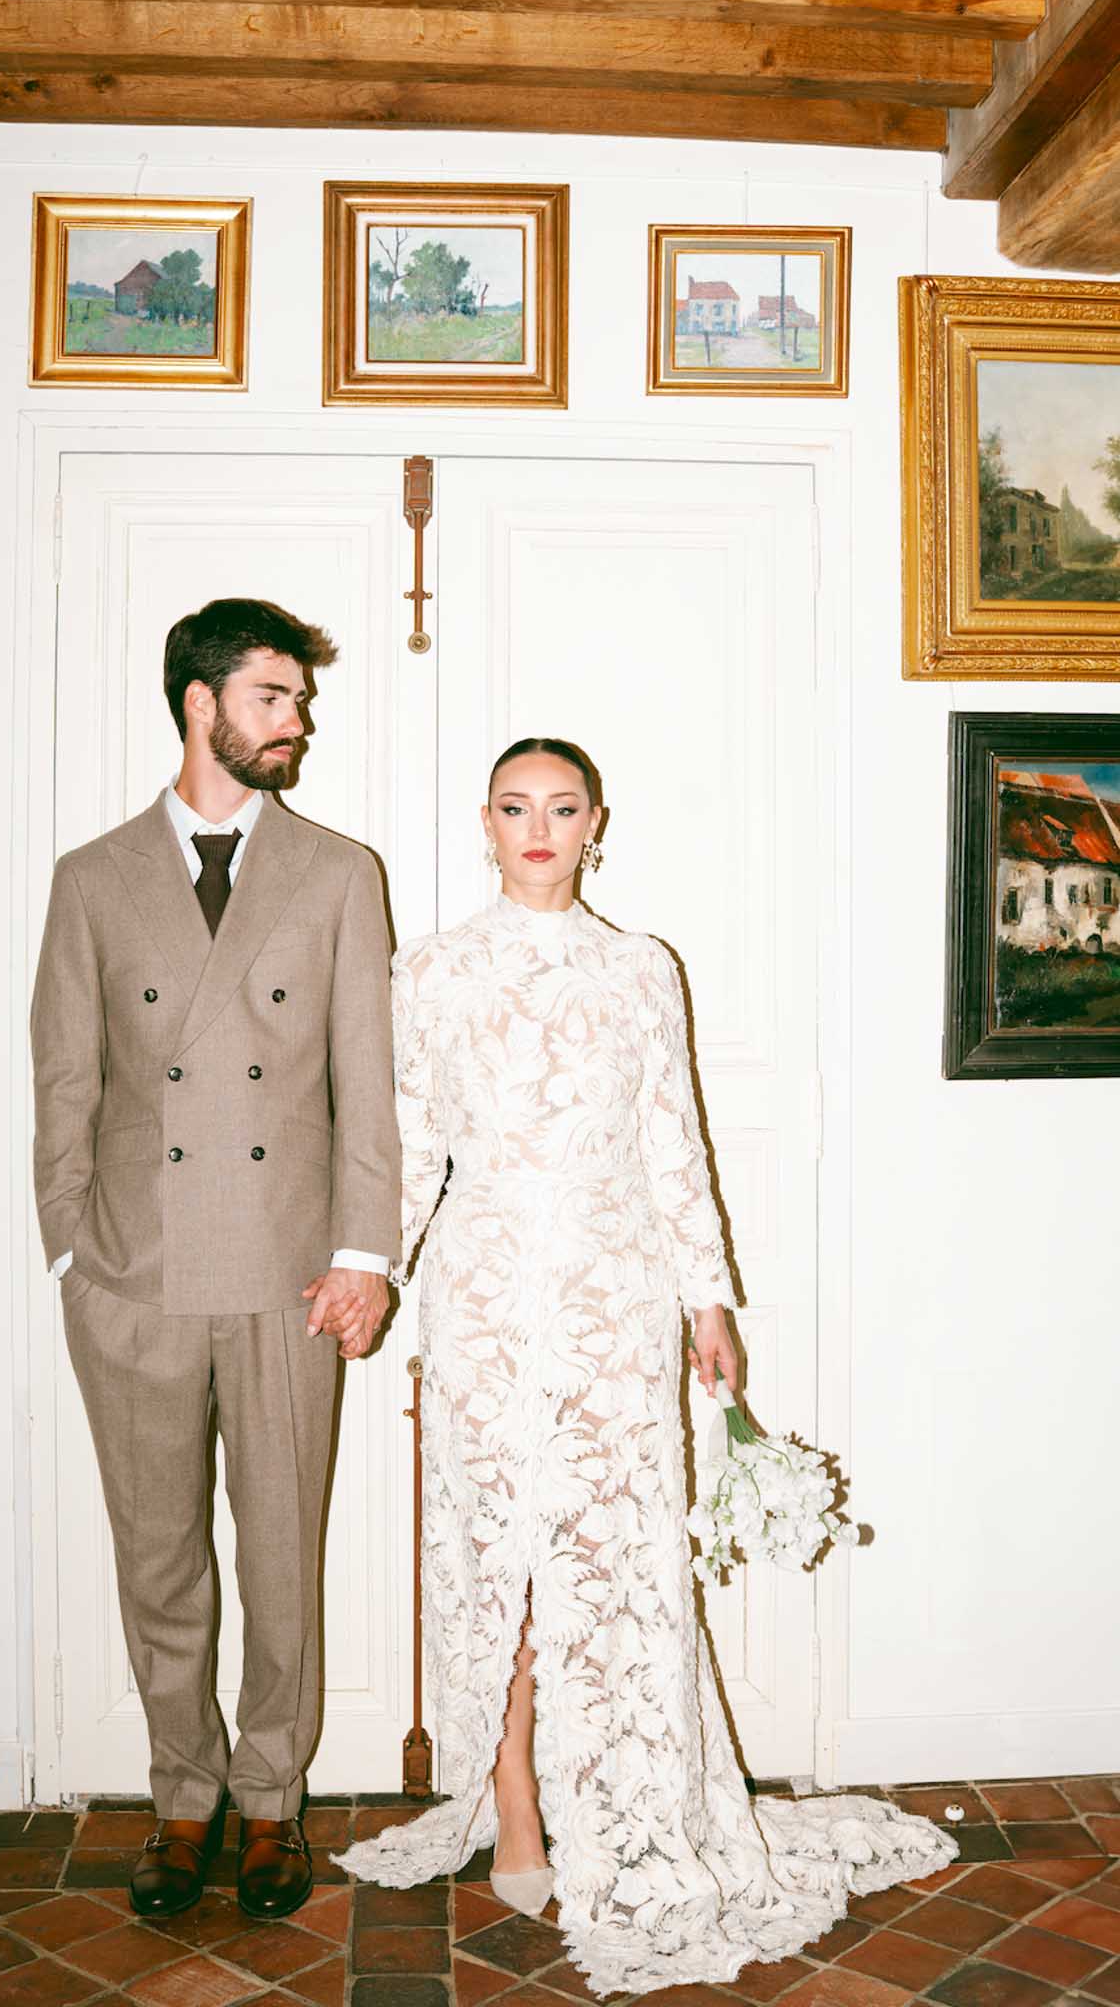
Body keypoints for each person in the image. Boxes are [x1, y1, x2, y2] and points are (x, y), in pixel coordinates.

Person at [336, 738, 954, 1996]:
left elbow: (676, 1135)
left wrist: (706, 1296)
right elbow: (405, 1143)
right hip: (488, 1297)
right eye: (517, 808)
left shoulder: (639, 967)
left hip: (618, 1303)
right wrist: (374, 1268)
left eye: (563, 808)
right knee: (501, 1543)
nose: (540, 829)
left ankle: (629, 1802)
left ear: (597, 823)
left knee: (610, 1549)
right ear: (485, 823)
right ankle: (513, 1796)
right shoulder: (433, 971)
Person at [31, 598, 400, 1923]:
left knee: (280, 1553)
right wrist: (75, 1251)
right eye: (270, 698)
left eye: (296, 700)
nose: (295, 722)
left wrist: (366, 1253)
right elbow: (64, 1076)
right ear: (201, 705)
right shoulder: (94, 877)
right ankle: (181, 1799)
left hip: (294, 1273)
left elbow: (371, 1082)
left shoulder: (339, 872)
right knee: (158, 1556)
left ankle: (270, 1804)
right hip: (135, 1277)